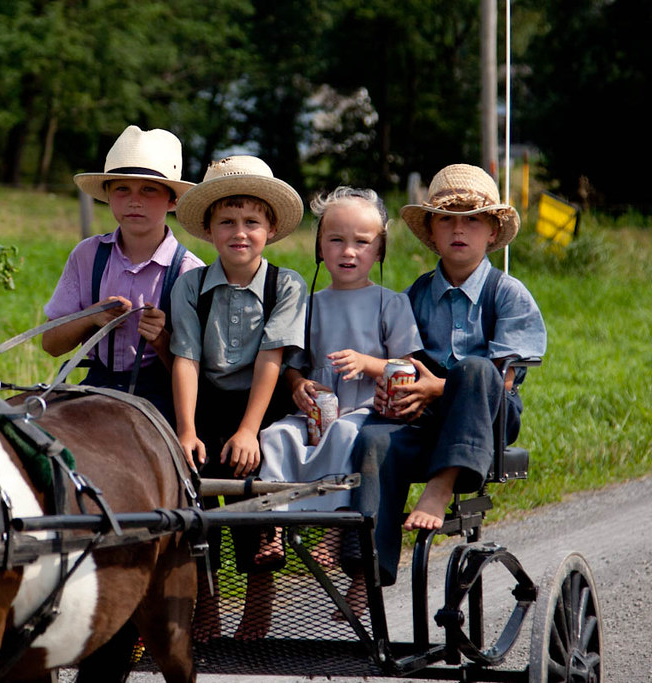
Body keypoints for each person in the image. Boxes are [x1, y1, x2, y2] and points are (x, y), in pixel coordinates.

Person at [349, 163, 547, 587]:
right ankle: (367, 565)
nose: (460, 230)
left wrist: (437, 387)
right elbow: (396, 357)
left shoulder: (506, 293)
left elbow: (504, 380)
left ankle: (442, 484)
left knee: (476, 369)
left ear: (492, 232)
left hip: (487, 418)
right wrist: (395, 385)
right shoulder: (417, 294)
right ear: (433, 234)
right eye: (447, 221)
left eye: (472, 220)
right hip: (423, 418)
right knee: (373, 438)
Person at [258, 188, 422, 612]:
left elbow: (406, 364)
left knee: (347, 437)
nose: (348, 252)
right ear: (319, 247)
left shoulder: (391, 303)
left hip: (367, 409)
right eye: (335, 240)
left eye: (362, 242)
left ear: (380, 249)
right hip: (317, 408)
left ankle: (332, 534)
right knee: (275, 437)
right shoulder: (310, 305)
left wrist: (368, 363)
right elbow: (294, 362)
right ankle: (273, 527)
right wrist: (297, 385)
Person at [170, 155, 307, 641]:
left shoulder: (285, 284)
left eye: (252, 221)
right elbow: (184, 358)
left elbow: (273, 356)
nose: (240, 232)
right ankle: (204, 612)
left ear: (270, 228)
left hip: (262, 404)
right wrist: (186, 429)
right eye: (226, 222)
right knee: (195, 498)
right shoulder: (190, 286)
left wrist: (249, 430)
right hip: (204, 403)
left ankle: (256, 618)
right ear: (208, 230)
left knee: (251, 491)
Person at [42, 125, 204, 423]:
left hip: (161, 397)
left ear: (172, 200)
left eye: (148, 190)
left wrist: (161, 339)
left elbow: (197, 373)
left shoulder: (189, 271)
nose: (134, 201)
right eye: (122, 189)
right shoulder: (87, 255)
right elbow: (51, 344)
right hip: (95, 384)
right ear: (108, 196)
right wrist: (90, 317)